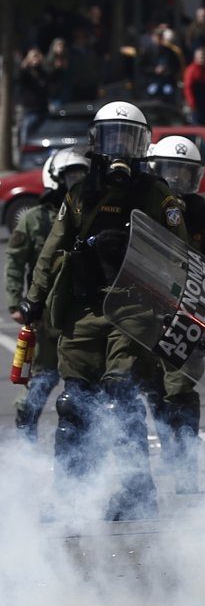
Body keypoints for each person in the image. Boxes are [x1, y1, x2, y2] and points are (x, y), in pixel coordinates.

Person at [17, 101, 188, 520]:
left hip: (132, 310)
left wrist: (137, 253)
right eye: (112, 138)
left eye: (128, 139)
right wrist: (33, 300)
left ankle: (135, 493)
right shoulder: (79, 196)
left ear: (143, 145)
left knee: (121, 396)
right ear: (97, 142)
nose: (119, 149)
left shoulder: (156, 195)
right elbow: (53, 248)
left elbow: (179, 255)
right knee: (74, 403)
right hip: (82, 309)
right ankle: (72, 496)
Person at [143, 136, 205, 493]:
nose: (175, 182)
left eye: (184, 174)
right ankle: (157, 466)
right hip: (142, 316)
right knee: (148, 391)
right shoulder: (140, 207)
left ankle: (185, 470)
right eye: (168, 172)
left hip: (185, 318)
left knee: (180, 392)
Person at [6, 148, 89, 443]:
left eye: (81, 175)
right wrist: (17, 302)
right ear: (56, 177)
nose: (76, 181)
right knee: (41, 378)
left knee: (82, 382)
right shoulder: (35, 220)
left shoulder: (88, 215)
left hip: (80, 313)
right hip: (44, 316)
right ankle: (26, 438)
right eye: (71, 175)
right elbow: (15, 261)